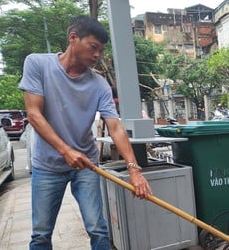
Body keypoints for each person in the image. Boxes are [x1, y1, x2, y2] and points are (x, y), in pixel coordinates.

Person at [19, 16, 153, 249]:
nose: (97, 55)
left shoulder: (99, 84)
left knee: (98, 229)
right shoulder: (37, 64)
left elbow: (115, 127)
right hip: (47, 166)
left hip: (87, 166)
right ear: (73, 38)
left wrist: (134, 169)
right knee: (41, 234)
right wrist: (65, 150)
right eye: (93, 48)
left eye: (101, 50)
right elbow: (34, 115)